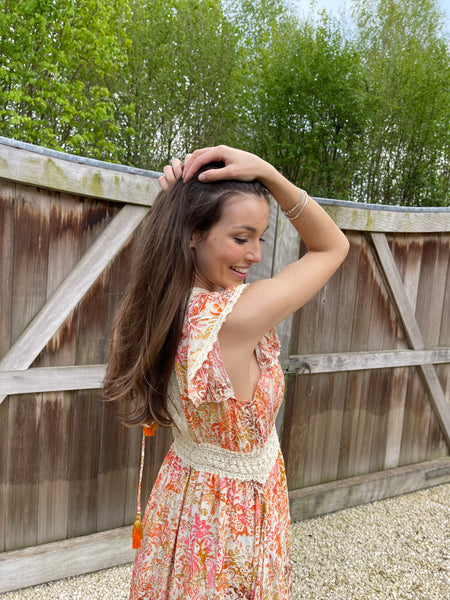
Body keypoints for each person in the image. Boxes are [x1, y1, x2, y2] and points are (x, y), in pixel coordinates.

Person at [103, 145, 349, 599]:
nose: (254, 254)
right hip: (232, 518)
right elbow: (333, 245)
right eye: (241, 238)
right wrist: (270, 174)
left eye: (261, 238)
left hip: (182, 499)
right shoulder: (234, 317)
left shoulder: (154, 307)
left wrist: (174, 203)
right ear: (193, 234)